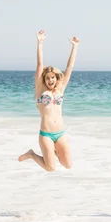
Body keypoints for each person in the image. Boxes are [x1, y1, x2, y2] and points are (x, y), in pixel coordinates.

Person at [18, 30, 79, 171]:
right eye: (48, 78)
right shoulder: (40, 90)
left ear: (56, 78)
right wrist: (40, 43)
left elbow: (70, 67)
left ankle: (55, 152)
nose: (50, 80)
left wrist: (75, 47)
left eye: (53, 77)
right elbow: (40, 65)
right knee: (50, 168)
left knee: (68, 165)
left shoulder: (60, 89)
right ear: (44, 79)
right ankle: (32, 154)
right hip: (46, 134)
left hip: (60, 133)